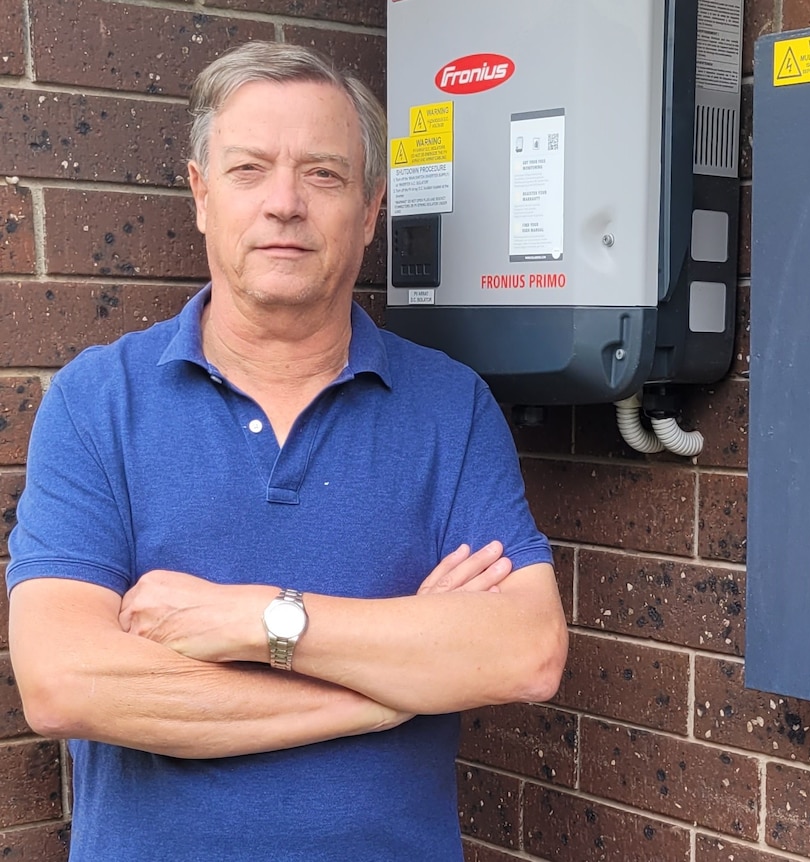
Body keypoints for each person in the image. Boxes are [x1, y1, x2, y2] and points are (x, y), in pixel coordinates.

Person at [7, 41, 568, 862]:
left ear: (371, 210)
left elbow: (524, 653)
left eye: (323, 174)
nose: (284, 203)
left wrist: (252, 618)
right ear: (201, 195)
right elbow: (66, 684)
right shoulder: (97, 403)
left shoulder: (451, 407)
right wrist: (385, 692)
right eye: (248, 169)